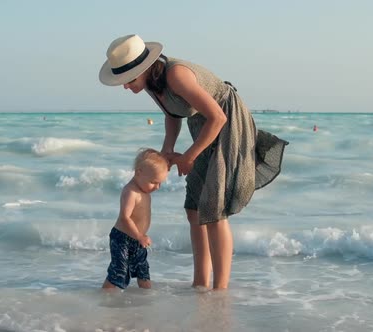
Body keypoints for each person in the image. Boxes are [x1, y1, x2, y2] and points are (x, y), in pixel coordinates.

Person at [99, 34, 288, 290]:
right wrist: (168, 149)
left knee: (214, 207)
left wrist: (189, 156)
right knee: (194, 209)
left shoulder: (176, 75)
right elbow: (172, 115)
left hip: (227, 122)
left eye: (128, 79)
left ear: (143, 69)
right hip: (201, 126)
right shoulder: (152, 84)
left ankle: (220, 289)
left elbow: (218, 118)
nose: (125, 86)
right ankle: (200, 283)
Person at [102, 148, 169, 289]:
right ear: (139, 173)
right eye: (154, 182)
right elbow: (125, 217)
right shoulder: (131, 192)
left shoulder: (145, 190)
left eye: (160, 183)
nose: (157, 187)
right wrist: (139, 235)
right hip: (122, 239)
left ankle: (146, 300)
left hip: (138, 239)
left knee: (142, 270)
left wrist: (140, 236)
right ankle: (105, 296)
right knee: (119, 272)